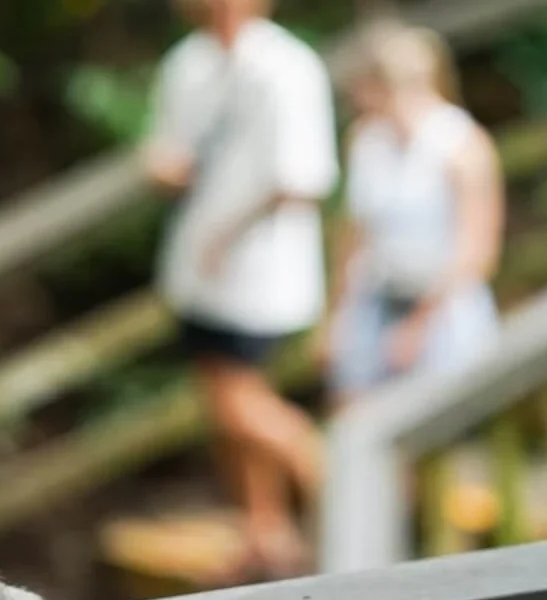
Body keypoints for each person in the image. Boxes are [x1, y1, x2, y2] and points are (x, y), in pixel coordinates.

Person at [140, 0, 337, 582]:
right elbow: (166, 149)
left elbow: (303, 179)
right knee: (224, 403)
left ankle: (337, 478)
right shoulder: (187, 64)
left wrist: (229, 234)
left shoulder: (288, 67)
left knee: (239, 402)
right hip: (198, 269)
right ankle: (266, 530)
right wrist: (164, 170)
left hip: (260, 272)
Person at [319, 20, 505, 408]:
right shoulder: (365, 140)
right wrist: (336, 318)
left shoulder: (462, 146)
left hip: (443, 310)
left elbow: (477, 251)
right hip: (376, 300)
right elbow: (353, 234)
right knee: (352, 409)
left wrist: (419, 324)